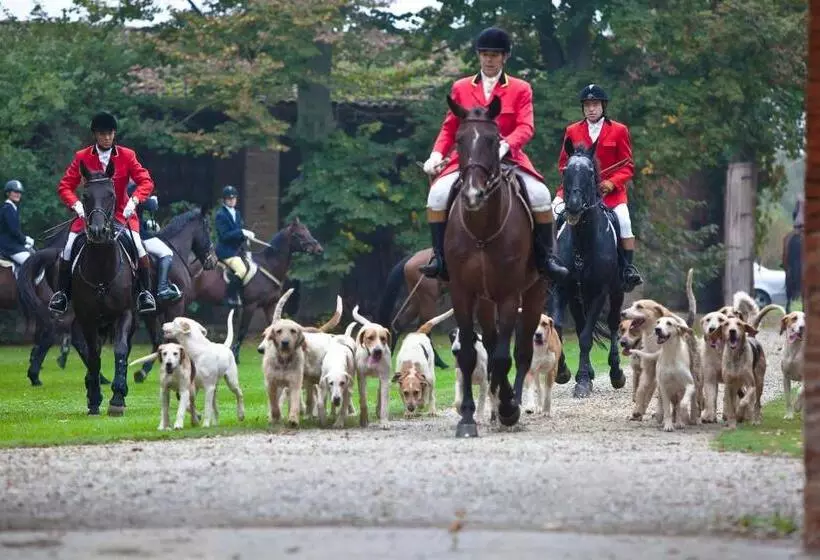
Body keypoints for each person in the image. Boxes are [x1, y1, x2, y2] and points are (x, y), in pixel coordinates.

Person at [419, 26, 569, 283]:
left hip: (509, 158)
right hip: (468, 160)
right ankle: (439, 257)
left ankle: (546, 259)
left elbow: (526, 126)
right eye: (485, 54)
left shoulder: (520, 88)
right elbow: (449, 127)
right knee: (437, 195)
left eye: (495, 55)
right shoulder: (461, 87)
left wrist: (506, 145)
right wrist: (435, 154)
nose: (489, 60)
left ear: (504, 57)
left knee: (541, 195)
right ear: (479, 56)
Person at [48, 111, 157, 316]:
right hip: (89, 216)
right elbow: (65, 186)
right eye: (102, 133)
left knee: (141, 250)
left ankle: (144, 293)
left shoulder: (127, 155)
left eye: (110, 133)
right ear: (95, 135)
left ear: (114, 134)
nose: (107, 137)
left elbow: (146, 181)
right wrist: (77, 205)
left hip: (121, 214)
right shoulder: (82, 156)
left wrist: (134, 200)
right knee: (68, 249)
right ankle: (61, 294)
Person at [554, 84, 643, 291]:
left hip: (610, 194)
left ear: (603, 106)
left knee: (625, 221)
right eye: (587, 105)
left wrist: (611, 183)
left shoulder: (619, 130)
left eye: (595, 104)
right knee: (551, 212)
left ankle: (626, 269)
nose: (591, 109)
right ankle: (548, 263)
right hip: (576, 191)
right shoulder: (572, 130)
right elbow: (562, 164)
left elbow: (627, 166)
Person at [127, 180, 181, 302]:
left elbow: (134, 215)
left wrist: (146, 224)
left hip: (126, 229)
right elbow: (151, 206)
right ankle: (162, 289)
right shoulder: (131, 187)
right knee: (166, 252)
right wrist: (153, 200)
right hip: (135, 234)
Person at [214, 185, 255, 307]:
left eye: (233, 198)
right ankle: (230, 296)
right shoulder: (221, 215)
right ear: (224, 200)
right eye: (229, 199)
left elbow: (237, 232)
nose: (232, 200)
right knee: (242, 270)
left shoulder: (237, 213)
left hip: (237, 250)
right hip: (226, 252)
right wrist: (241, 232)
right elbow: (224, 236)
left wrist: (245, 236)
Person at [0, 180, 34, 267]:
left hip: (13, 245)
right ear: (8, 193)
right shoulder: (8, 209)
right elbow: (14, 231)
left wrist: (24, 241)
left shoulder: (12, 208)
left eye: (19, 192)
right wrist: (25, 239)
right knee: (31, 264)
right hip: (9, 247)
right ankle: (24, 281)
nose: (18, 194)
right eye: (15, 192)